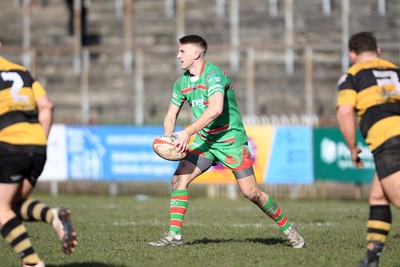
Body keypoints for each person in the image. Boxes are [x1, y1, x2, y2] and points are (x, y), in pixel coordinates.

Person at [148, 35, 305, 248]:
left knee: (251, 193)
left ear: (196, 54)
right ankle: (174, 236)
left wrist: (187, 132)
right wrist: (169, 137)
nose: (178, 56)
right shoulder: (181, 82)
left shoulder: (213, 75)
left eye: (182, 51)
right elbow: (171, 114)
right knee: (178, 180)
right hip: (205, 141)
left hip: (230, 140)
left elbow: (216, 108)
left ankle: (288, 229)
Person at [0, 43, 77, 267]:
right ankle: (52, 215)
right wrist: (38, 140)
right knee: (11, 204)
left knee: (2, 209)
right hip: (36, 144)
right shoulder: (21, 71)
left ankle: (32, 263)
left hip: (10, 144)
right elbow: (47, 106)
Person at [336, 31, 400, 267]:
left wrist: (352, 147)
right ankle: (372, 258)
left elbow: (345, 112)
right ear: (378, 51)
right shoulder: (395, 70)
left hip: (388, 139)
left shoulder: (352, 75)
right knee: (378, 196)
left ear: (352, 55)